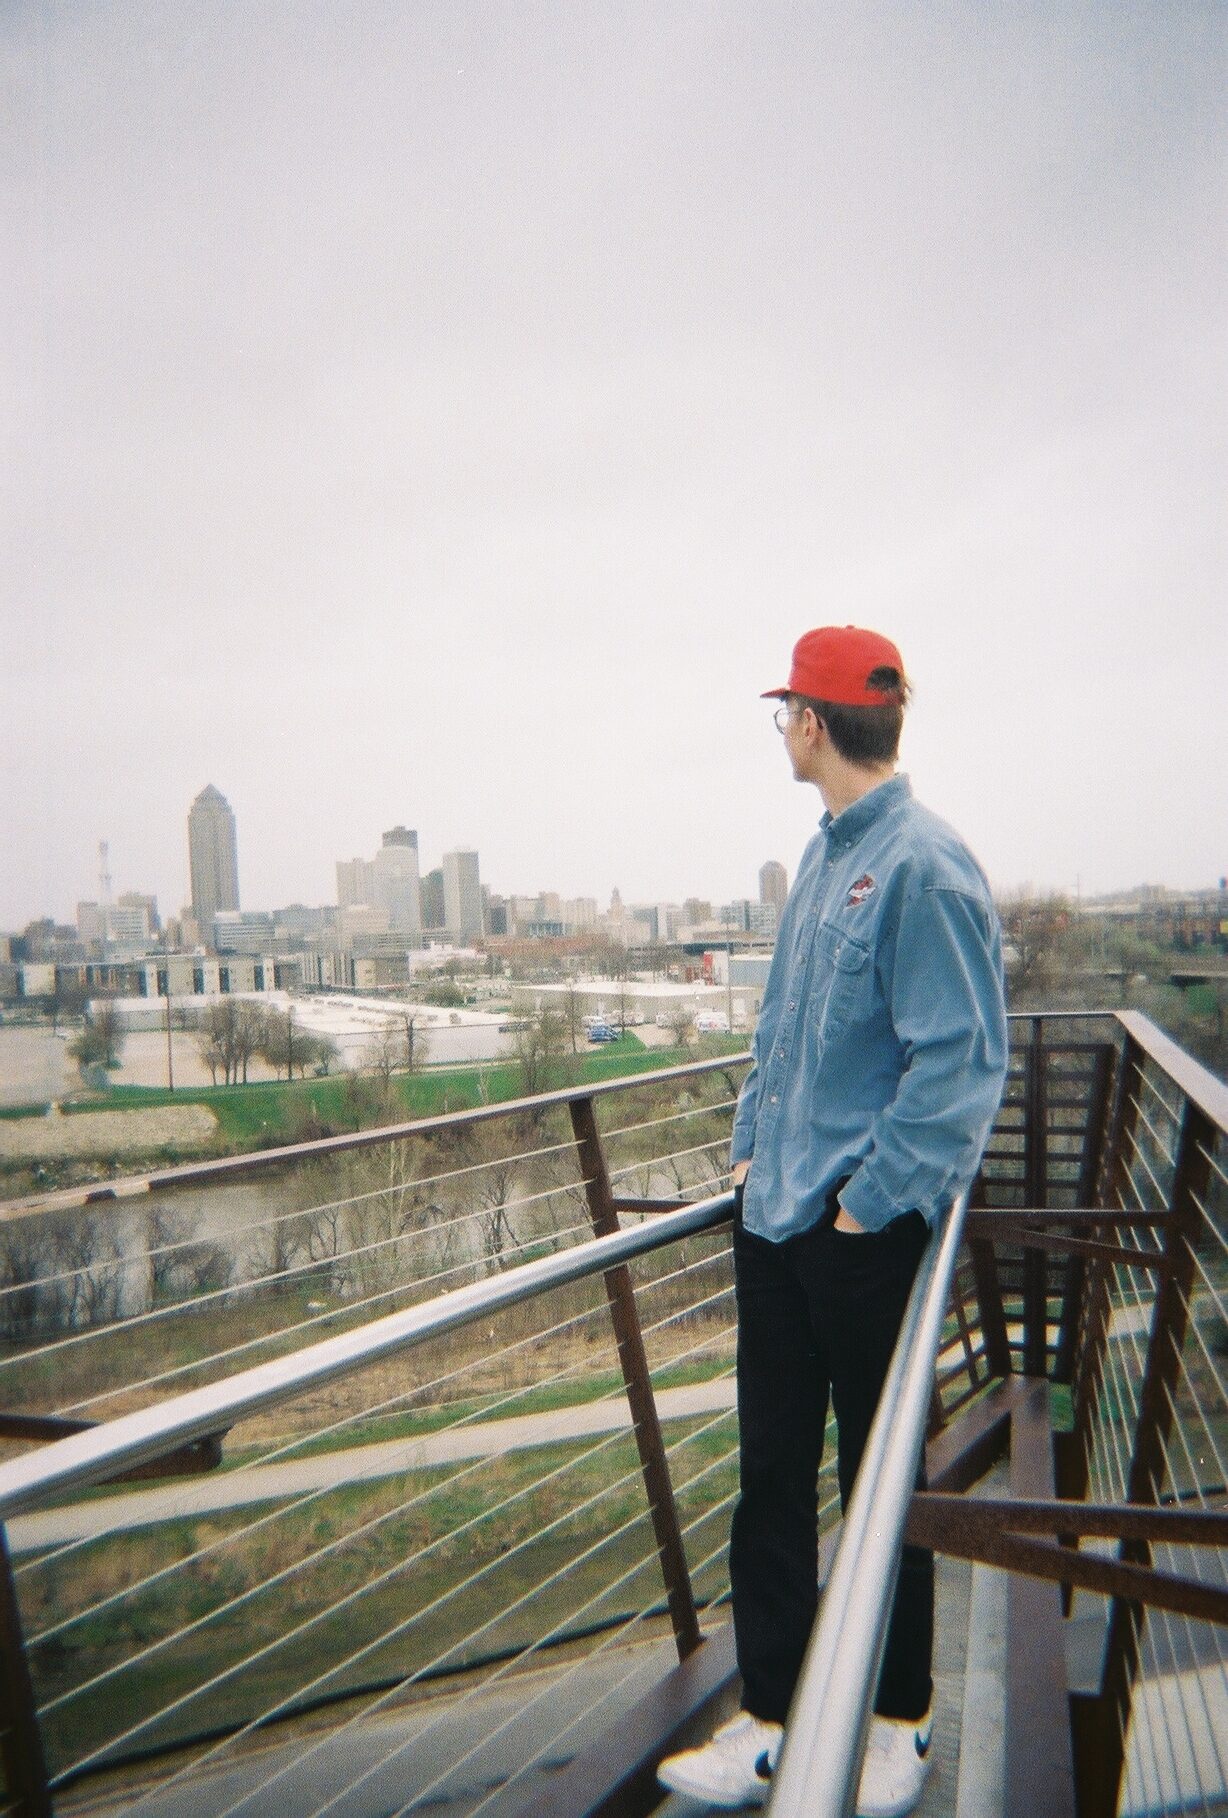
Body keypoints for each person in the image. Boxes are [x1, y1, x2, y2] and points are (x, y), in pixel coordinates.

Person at [658, 625, 1008, 1816]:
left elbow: (958, 1067)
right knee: (770, 1478)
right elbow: (785, 1034)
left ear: (812, 722)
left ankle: (898, 1723)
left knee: (879, 1480)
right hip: (772, 1222)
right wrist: (755, 1150)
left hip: (856, 1237)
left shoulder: (926, 866)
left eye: (785, 715)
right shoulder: (819, 858)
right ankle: (769, 1717)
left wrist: (863, 1211)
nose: (783, 734)